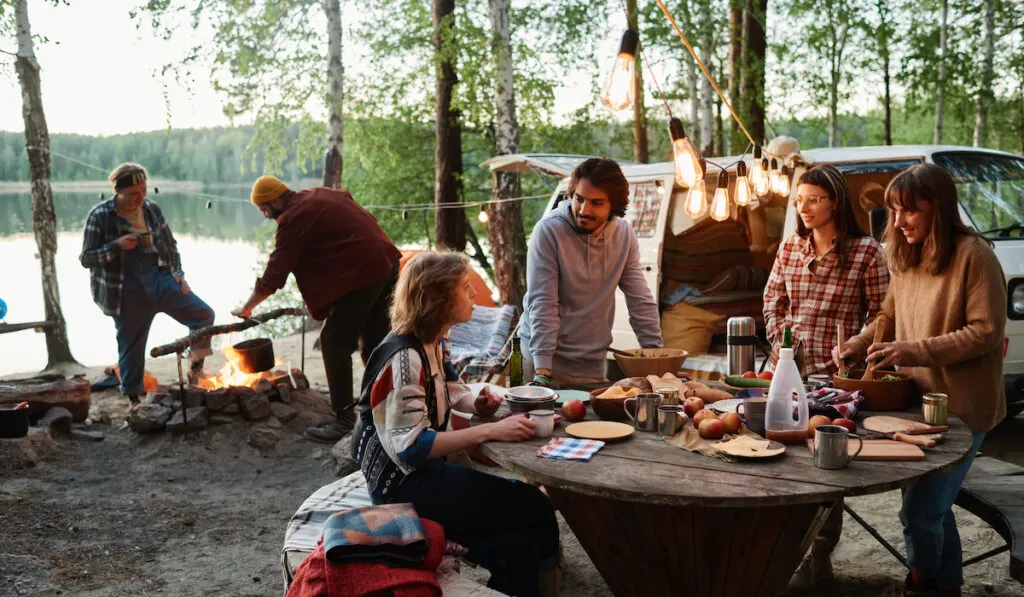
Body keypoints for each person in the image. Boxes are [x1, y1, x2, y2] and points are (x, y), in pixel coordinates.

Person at [835, 163, 1007, 597]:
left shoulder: (976, 256)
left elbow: (985, 332)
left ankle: (921, 583)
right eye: (893, 211)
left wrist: (913, 349)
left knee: (920, 511)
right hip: (916, 405)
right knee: (933, 509)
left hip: (965, 411)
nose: (898, 222)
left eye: (908, 211)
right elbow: (888, 318)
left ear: (939, 208)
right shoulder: (903, 255)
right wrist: (858, 342)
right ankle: (947, 585)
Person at [352, 251, 560, 597]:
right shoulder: (404, 358)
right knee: (533, 504)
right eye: (465, 287)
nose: (474, 293)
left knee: (516, 550)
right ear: (438, 298)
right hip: (401, 488)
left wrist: (474, 403)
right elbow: (412, 447)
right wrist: (492, 429)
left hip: (424, 475)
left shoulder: (434, 339)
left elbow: (451, 387)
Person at [763, 165, 890, 589]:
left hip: (835, 379)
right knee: (777, 458)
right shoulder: (789, 249)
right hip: (787, 374)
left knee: (823, 467)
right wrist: (780, 341)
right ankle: (780, 550)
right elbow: (772, 300)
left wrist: (856, 342)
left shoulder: (866, 252)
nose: (805, 208)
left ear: (835, 200)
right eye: (799, 200)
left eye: (814, 199)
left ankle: (818, 554)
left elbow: (882, 314)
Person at [233, 176, 402, 443]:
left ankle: (345, 420)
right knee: (375, 344)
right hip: (386, 263)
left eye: (264, 207)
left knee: (333, 341)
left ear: (277, 199)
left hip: (365, 271)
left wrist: (247, 308)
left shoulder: (293, 217)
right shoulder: (317, 195)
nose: (264, 214)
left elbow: (276, 272)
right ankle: (387, 407)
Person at [80, 163, 214, 407]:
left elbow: (170, 246)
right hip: (124, 287)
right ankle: (134, 399)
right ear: (118, 192)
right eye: (133, 193)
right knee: (131, 345)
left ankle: (196, 372)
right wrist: (116, 246)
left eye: (143, 190)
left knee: (203, 315)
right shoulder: (100, 216)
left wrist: (178, 273)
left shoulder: (151, 208)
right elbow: (86, 258)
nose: (139, 197)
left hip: (158, 277)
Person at [520, 157, 662, 388]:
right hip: (543, 362)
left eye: (596, 203)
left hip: (593, 363)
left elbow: (640, 301)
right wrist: (542, 372)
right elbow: (543, 303)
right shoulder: (548, 231)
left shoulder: (624, 235)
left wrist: (657, 360)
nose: (584, 210)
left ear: (613, 206)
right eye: (579, 199)